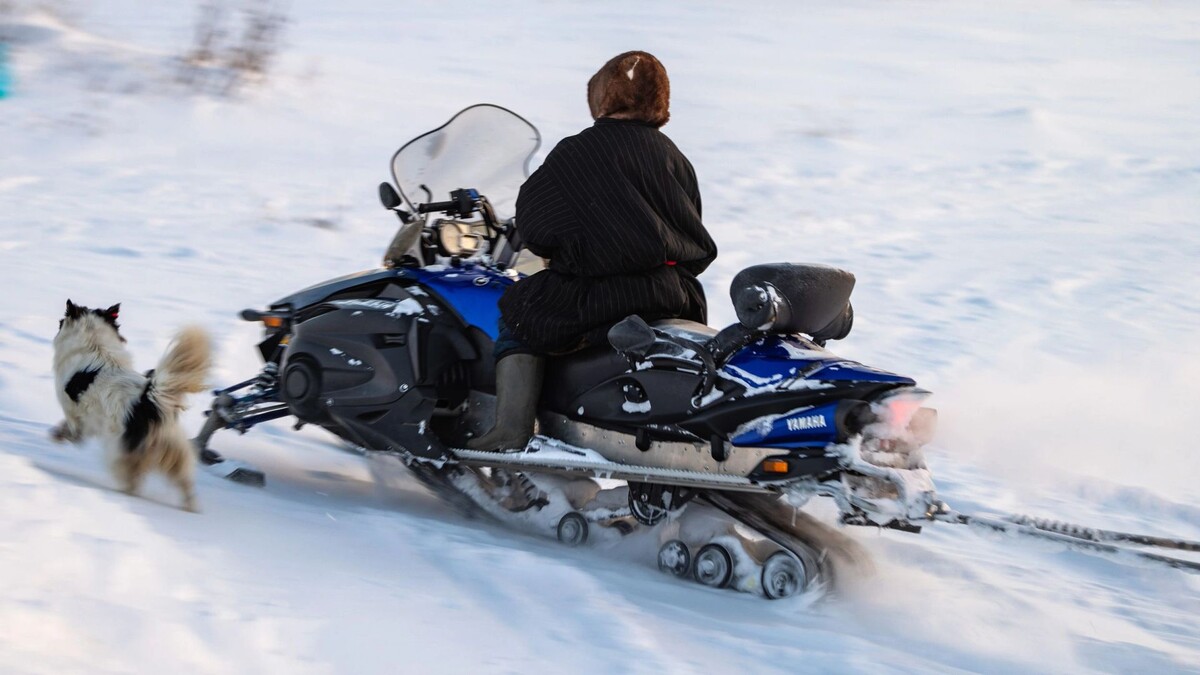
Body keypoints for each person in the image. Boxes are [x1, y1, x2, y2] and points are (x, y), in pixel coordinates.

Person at [468, 51, 717, 451]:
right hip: (676, 293)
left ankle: (511, 430)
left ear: (605, 95)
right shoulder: (674, 156)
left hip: (605, 292)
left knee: (519, 313)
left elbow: (537, 227)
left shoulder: (578, 151)